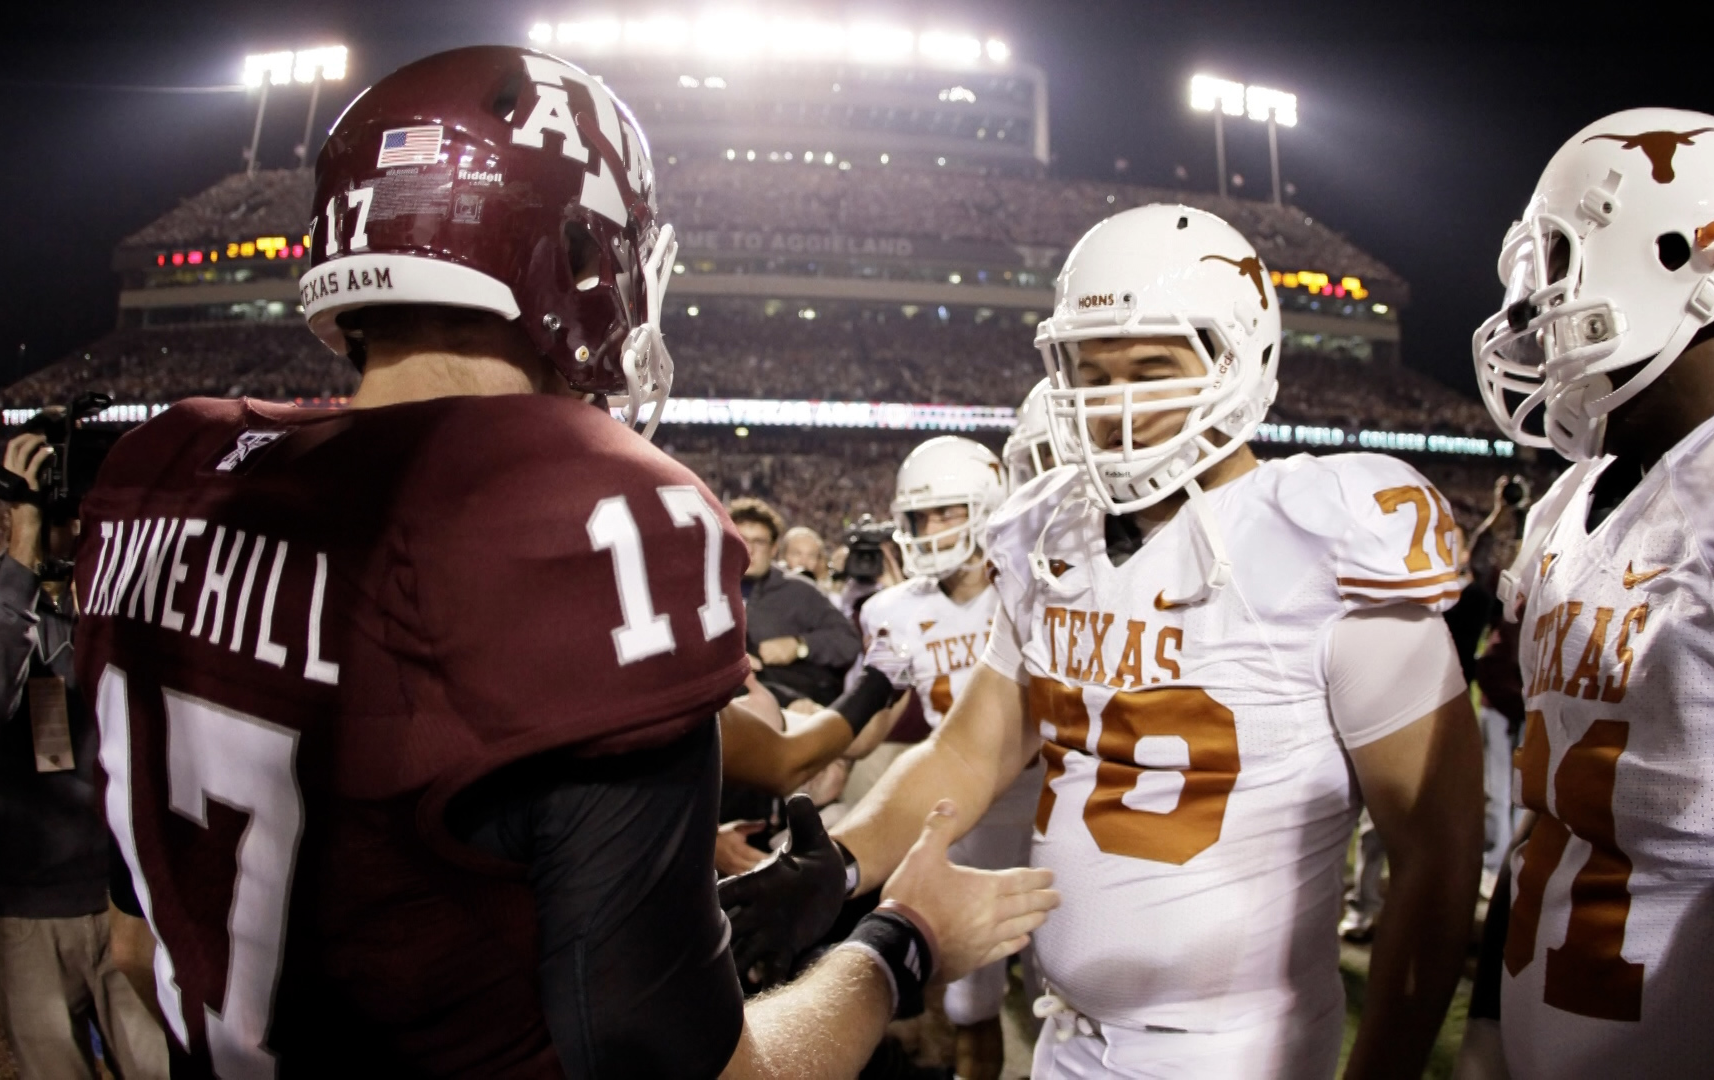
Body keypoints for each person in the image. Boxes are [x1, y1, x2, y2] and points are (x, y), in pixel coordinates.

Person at [74, 45, 1056, 1077]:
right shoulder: (582, 511)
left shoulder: (162, 477)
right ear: (585, 257)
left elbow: (139, 950)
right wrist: (903, 941)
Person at [735, 205, 1483, 1078]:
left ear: (1240, 359)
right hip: (1068, 1031)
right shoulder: (1051, 535)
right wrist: (844, 861)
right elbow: (969, 753)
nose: (1117, 402)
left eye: (1152, 368)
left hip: (1236, 1051)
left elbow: (1436, 850)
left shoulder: (1326, 537)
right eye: (1092, 372)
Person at [1462, 107, 1714, 1078]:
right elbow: (1549, 828)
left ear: (1678, 251)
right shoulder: (1569, 506)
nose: (1534, 310)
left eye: (1560, 262)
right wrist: (1486, 1034)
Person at [0, 428, 167, 1079]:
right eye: (62, 511)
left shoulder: (112, 599)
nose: (78, 522)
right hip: (25, 905)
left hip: (121, 898)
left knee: (161, 1067)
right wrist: (23, 545)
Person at [858, 435, 1040, 1080]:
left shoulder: (1032, 583)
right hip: (966, 817)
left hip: (1052, 811)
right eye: (919, 517)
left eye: (947, 511)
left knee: (1065, 993)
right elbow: (863, 729)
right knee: (970, 1003)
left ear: (988, 507)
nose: (931, 530)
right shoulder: (892, 610)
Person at [729, 497, 862, 707]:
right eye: (741, 539)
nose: (749, 550)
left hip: (793, 711)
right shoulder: (704, 591)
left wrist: (800, 645)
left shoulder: (800, 591)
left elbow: (847, 642)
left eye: (759, 542)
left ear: (774, 549)